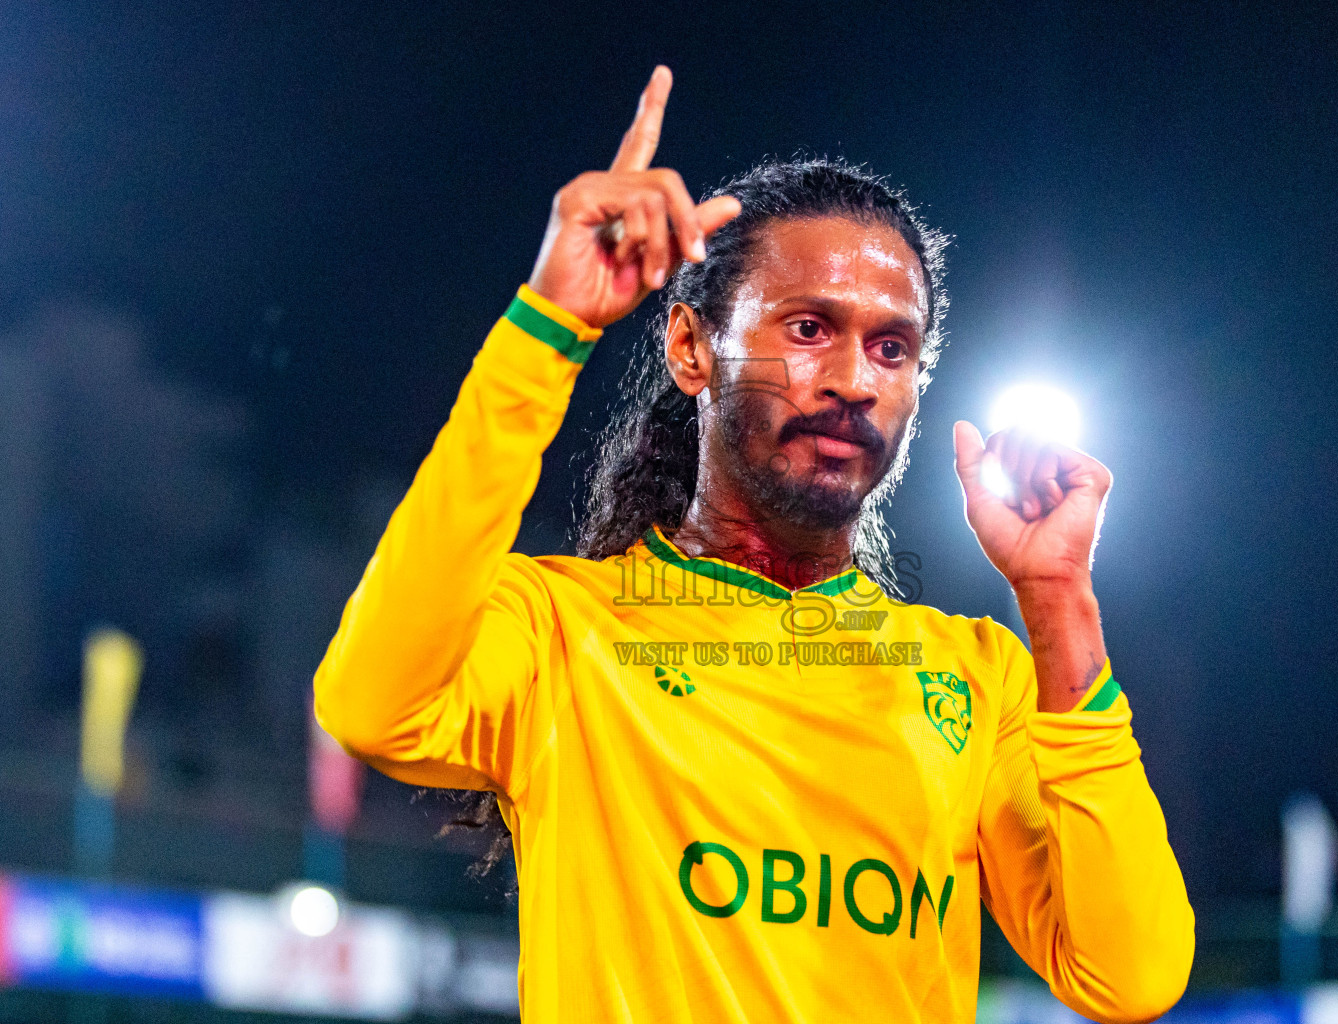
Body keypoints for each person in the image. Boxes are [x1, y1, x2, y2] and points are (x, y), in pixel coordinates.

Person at [314, 66, 1194, 1024]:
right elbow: (371, 707)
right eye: (810, 328)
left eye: (893, 349)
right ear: (692, 348)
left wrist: (1059, 602)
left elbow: (1131, 975)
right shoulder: (562, 635)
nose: (855, 379)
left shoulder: (978, 683)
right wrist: (545, 332)